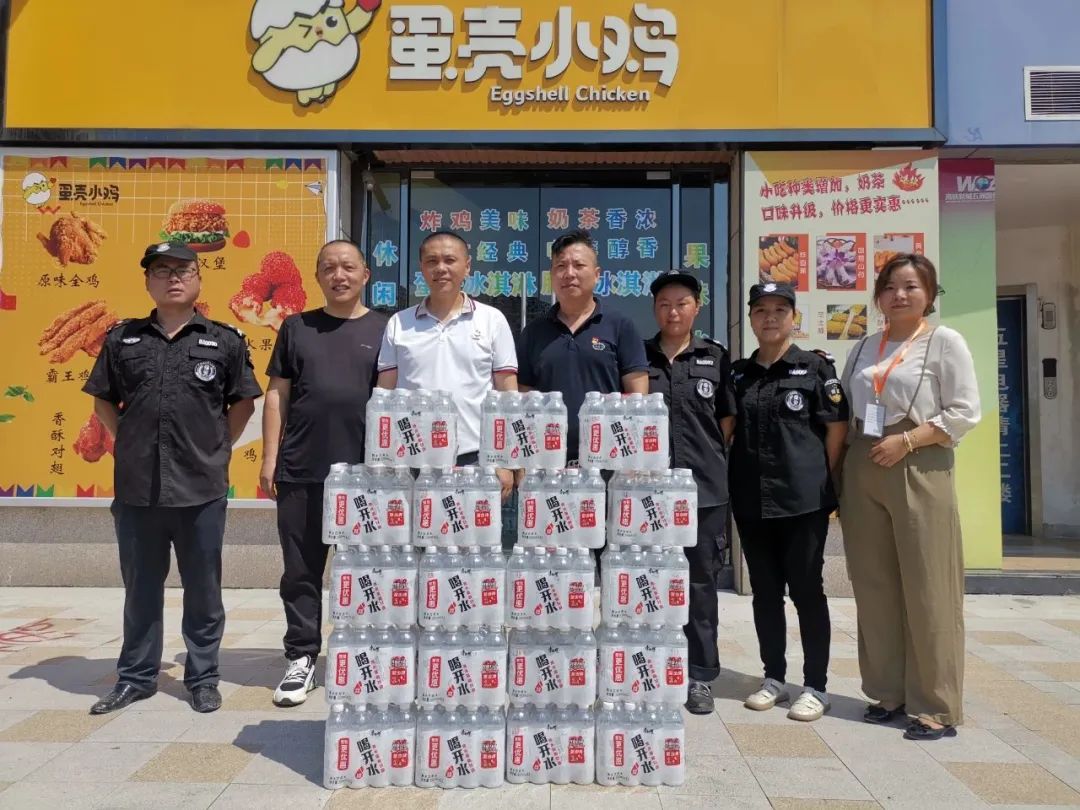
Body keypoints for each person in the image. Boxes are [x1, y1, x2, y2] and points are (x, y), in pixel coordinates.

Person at [83, 241, 262, 715]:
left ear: (199, 278)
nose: (173, 278)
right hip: (137, 488)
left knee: (203, 589)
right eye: (161, 271)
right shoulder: (123, 339)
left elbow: (243, 402)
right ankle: (136, 677)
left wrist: (216, 448)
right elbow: (102, 399)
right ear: (148, 282)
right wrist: (128, 441)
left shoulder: (224, 340)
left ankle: (202, 678)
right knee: (140, 588)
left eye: (183, 270)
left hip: (200, 488)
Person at [839, 254, 980, 741]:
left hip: (919, 458)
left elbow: (964, 411)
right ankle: (887, 693)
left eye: (911, 286)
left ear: (930, 294)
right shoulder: (863, 346)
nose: (899, 295)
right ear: (878, 296)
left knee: (929, 587)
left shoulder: (944, 342)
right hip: (864, 457)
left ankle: (935, 705)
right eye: (890, 287)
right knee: (874, 584)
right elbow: (849, 405)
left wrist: (909, 440)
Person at [261, 240, 387, 707]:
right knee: (300, 571)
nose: (339, 275)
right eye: (329, 268)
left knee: (367, 573)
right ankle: (301, 657)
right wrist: (269, 458)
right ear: (317, 276)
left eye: (348, 267)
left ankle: (363, 655)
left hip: (367, 476)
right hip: (303, 467)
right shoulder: (297, 327)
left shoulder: (387, 328)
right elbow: (277, 394)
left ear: (365, 274)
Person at [729, 282, 847, 722]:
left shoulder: (815, 368)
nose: (770, 317)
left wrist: (818, 480)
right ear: (751, 318)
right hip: (752, 501)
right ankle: (774, 678)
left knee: (807, 592)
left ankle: (816, 686)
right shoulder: (738, 375)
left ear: (793, 317)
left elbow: (836, 430)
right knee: (764, 594)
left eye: (780, 309)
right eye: (761, 310)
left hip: (802, 503)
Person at [644, 270, 736, 714]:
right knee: (650, 582)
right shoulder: (639, 357)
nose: (673, 311)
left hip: (704, 493)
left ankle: (699, 675)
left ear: (696, 308)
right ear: (654, 309)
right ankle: (653, 668)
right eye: (664, 304)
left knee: (700, 585)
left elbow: (726, 421)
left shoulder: (715, 358)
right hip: (649, 496)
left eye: (681, 303)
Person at [376, 231, 517, 496]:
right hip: (412, 462)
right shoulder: (399, 323)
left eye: (450, 260)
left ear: (467, 266)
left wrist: (505, 459)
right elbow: (384, 396)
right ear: (421, 268)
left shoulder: (491, 320)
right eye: (432, 261)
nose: (441, 268)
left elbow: (507, 393)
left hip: (476, 460)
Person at [515, 229, 649, 461]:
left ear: (597, 275)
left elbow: (638, 396)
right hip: (547, 462)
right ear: (552, 275)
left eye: (578, 265)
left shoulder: (620, 326)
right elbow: (523, 396)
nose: (569, 273)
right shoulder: (534, 332)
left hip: (608, 461)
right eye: (560, 266)